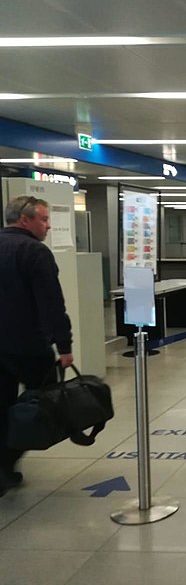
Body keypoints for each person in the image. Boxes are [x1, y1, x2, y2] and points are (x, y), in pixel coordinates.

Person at [0, 196, 73, 496]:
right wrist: (64, 346)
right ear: (24, 219)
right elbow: (51, 304)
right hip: (29, 346)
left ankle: (3, 464)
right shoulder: (34, 252)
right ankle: (6, 462)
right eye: (43, 219)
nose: (48, 225)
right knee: (41, 405)